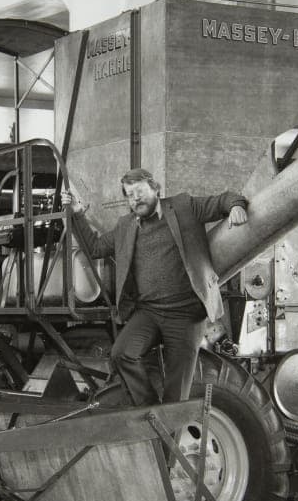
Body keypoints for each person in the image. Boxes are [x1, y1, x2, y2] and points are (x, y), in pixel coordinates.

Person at [61, 168, 248, 405]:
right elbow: (96, 248)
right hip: (149, 312)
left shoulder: (184, 207)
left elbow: (224, 199)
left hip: (186, 314)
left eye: (139, 191)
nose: (135, 198)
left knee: (176, 394)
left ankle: (168, 431)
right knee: (122, 354)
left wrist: (236, 206)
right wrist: (77, 214)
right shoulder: (125, 226)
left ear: (156, 188)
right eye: (130, 195)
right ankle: (150, 411)